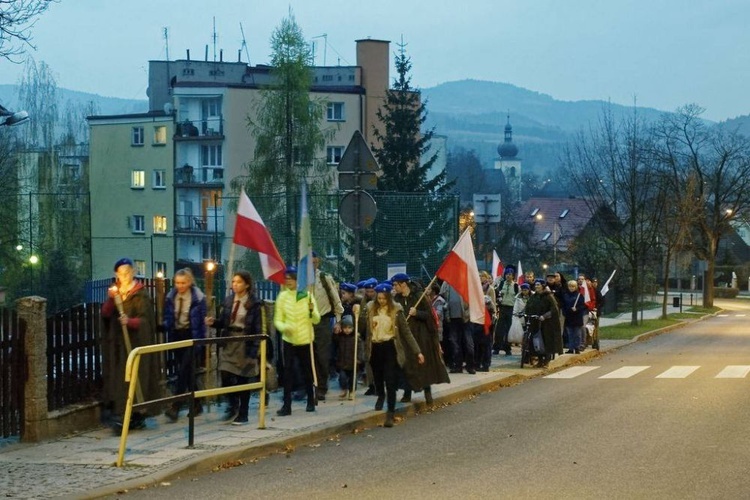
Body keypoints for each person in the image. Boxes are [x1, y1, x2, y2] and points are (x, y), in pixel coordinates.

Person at [101, 258, 163, 430]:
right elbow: (105, 314)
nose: (124, 276)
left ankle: (137, 414)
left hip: (136, 344)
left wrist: (129, 321)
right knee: (120, 378)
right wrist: (111, 300)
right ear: (116, 275)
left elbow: (146, 322)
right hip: (119, 346)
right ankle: (121, 414)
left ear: (133, 272)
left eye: (127, 272)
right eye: (121, 273)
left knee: (137, 378)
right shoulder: (116, 293)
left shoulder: (140, 294)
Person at [355, 283, 424, 428]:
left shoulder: (397, 310)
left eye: (384, 299)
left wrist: (417, 351)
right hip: (375, 348)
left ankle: (390, 413)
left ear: (389, 298)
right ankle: (380, 395)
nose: (381, 301)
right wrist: (360, 315)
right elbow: (361, 330)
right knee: (378, 378)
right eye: (379, 298)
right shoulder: (369, 308)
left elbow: (406, 333)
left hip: (390, 347)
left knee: (391, 380)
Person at [206, 270, 262, 425]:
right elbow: (224, 321)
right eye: (233, 282)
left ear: (247, 284)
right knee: (224, 373)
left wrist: (253, 351)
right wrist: (214, 322)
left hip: (244, 341)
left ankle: (243, 413)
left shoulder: (254, 303)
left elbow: (257, 328)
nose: (235, 285)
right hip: (229, 340)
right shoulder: (229, 300)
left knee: (243, 378)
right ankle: (232, 404)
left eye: (238, 282)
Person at [392, 273, 450, 404]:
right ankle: (407, 393)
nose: (394, 287)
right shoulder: (397, 299)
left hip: (421, 337)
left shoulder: (419, 296)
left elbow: (430, 316)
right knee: (407, 365)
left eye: (396, 284)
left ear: (403, 284)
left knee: (423, 365)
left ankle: (427, 392)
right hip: (406, 338)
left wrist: (417, 313)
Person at [274, 266, 321, 416]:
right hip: (289, 340)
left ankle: (310, 401)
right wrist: (284, 327)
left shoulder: (307, 296)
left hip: (306, 340)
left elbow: (316, 319)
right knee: (287, 373)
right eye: (286, 278)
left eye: (291, 278)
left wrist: (312, 310)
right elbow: (277, 320)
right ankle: (286, 406)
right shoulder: (282, 297)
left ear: (297, 280)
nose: (288, 281)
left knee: (307, 372)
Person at [163, 268, 207, 422]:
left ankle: (176, 406)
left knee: (183, 371)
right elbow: (169, 316)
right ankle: (197, 403)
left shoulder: (198, 298)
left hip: (192, 336)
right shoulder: (171, 297)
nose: (179, 286)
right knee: (187, 372)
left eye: (183, 283)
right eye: (177, 283)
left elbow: (202, 322)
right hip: (177, 335)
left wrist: (201, 342)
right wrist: (165, 325)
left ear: (189, 282)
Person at [311, 252, 344, 402]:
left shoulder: (324, 278)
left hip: (322, 322)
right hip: (305, 322)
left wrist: (338, 321)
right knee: (307, 356)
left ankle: (322, 387)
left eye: (314, 263)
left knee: (322, 356)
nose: (312, 265)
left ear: (318, 263)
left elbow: (336, 300)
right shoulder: (300, 281)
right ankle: (309, 386)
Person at [524, 279, 563, 367]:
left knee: (547, 341)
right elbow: (529, 306)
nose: (536, 286)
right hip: (536, 322)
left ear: (542, 286)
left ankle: (547, 360)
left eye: (538, 285)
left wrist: (544, 316)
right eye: (536, 285)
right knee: (537, 341)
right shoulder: (533, 297)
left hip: (547, 324)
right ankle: (540, 360)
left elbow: (554, 309)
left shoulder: (549, 296)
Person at [440, 280, 472, 373]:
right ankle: (458, 366)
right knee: (455, 343)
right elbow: (442, 295)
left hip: (465, 317)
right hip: (452, 318)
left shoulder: (465, 280)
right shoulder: (446, 283)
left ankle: (470, 365)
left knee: (468, 343)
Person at [494, 265, 519, 355]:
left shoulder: (516, 286)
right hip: (503, 308)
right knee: (499, 329)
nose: (508, 276)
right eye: (507, 274)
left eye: (510, 274)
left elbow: (517, 298)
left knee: (509, 329)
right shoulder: (501, 284)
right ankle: (497, 347)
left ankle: (507, 348)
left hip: (511, 309)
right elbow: (497, 294)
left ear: (513, 276)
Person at [475, 271, 496, 372]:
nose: (480, 278)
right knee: (478, 342)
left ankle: (486, 363)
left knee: (486, 343)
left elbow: (493, 304)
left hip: (487, 318)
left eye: (482, 276)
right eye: (479, 276)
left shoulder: (490, 289)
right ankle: (477, 362)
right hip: (478, 318)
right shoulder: (476, 287)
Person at [560, 280, 587, 354]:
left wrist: (577, 309)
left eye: (573, 286)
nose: (571, 288)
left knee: (577, 334)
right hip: (569, 317)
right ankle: (571, 348)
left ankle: (577, 347)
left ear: (576, 287)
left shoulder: (579, 295)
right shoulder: (565, 295)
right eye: (570, 286)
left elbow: (582, 306)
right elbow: (563, 305)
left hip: (577, 317)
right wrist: (565, 312)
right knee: (570, 333)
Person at [334, 315, 357, 400]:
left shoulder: (356, 338)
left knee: (352, 379)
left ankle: (351, 391)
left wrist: (359, 359)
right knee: (342, 377)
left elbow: (360, 348)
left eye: (349, 327)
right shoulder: (340, 338)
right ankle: (344, 389)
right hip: (342, 362)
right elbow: (335, 342)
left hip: (352, 362)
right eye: (345, 328)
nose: (347, 330)